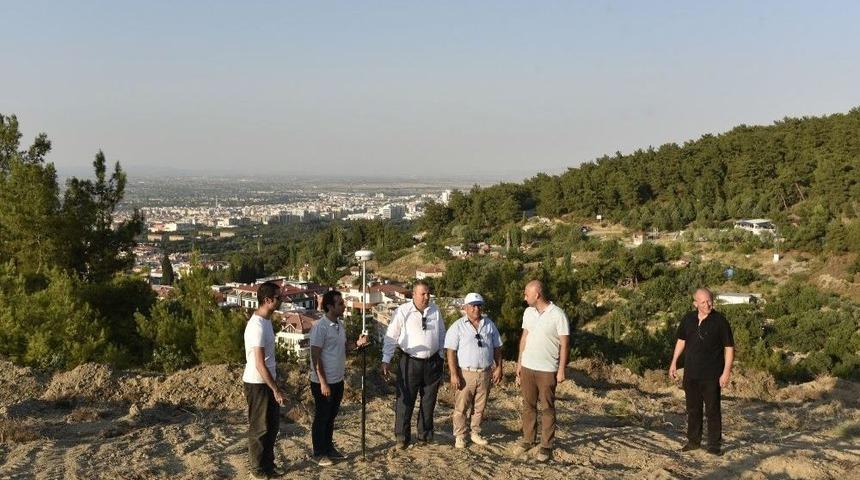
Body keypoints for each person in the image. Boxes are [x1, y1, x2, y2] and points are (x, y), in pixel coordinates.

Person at [381, 280, 446, 449]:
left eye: (428, 293)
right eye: (423, 293)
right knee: (405, 400)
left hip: (432, 362)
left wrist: (441, 356)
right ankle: (402, 437)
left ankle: (425, 435)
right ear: (414, 295)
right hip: (410, 361)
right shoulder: (402, 311)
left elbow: (441, 334)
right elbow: (391, 337)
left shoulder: (435, 310)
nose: (427, 297)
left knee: (429, 400)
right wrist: (386, 360)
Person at [669, 288, 735, 456]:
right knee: (693, 409)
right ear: (695, 303)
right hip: (691, 374)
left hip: (712, 375)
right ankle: (693, 442)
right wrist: (674, 362)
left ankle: (714, 446)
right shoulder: (688, 319)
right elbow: (681, 341)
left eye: (710, 300)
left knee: (713, 411)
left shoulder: (720, 321)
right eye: (703, 302)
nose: (708, 304)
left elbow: (729, 348)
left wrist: (726, 371)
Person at [309, 290, 369, 466]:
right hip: (323, 382)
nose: (343, 306)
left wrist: (357, 344)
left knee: (331, 416)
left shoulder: (339, 325)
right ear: (330, 306)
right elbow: (315, 356)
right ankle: (319, 453)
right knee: (322, 417)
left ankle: (329, 448)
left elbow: (344, 347)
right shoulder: (320, 327)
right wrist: (323, 382)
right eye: (340, 303)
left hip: (337, 380)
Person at [513, 280, 570, 462]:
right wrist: (519, 363)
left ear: (537, 294)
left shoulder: (558, 315)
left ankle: (546, 445)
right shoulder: (528, 312)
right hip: (528, 366)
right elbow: (524, 337)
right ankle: (528, 439)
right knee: (528, 405)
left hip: (547, 369)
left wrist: (561, 370)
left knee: (547, 408)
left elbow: (565, 345)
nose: (524, 297)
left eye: (526, 294)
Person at [444, 292, 503, 449]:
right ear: (465, 307)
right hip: (465, 373)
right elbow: (451, 351)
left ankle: (475, 432)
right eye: (473, 306)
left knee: (480, 407)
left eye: (479, 305)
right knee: (461, 407)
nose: (476, 309)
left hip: (485, 372)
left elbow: (497, 347)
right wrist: (454, 373)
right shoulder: (457, 326)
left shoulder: (489, 324)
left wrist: (499, 367)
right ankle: (460, 435)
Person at [242, 281, 286, 480]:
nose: (281, 300)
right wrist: (275, 389)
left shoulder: (267, 321)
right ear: (267, 300)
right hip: (257, 383)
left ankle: (268, 466)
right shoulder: (257, 326)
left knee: (272, 426)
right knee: (260, 428)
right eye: (278, 298)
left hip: (266, 381)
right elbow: (260, 364)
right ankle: (257, 470)